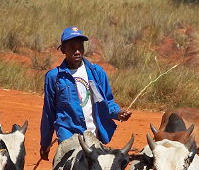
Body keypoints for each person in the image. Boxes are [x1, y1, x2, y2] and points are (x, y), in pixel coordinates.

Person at [39, 26, 132, 161]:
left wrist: (118, 113)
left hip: (93, 134)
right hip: (68, 136)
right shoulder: (54, 77)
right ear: (63, 49)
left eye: (80, 47)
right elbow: (49, 113)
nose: (77, 51)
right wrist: (45, 143)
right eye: (72, 47)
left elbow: (108, 102)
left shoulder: (97, 72)